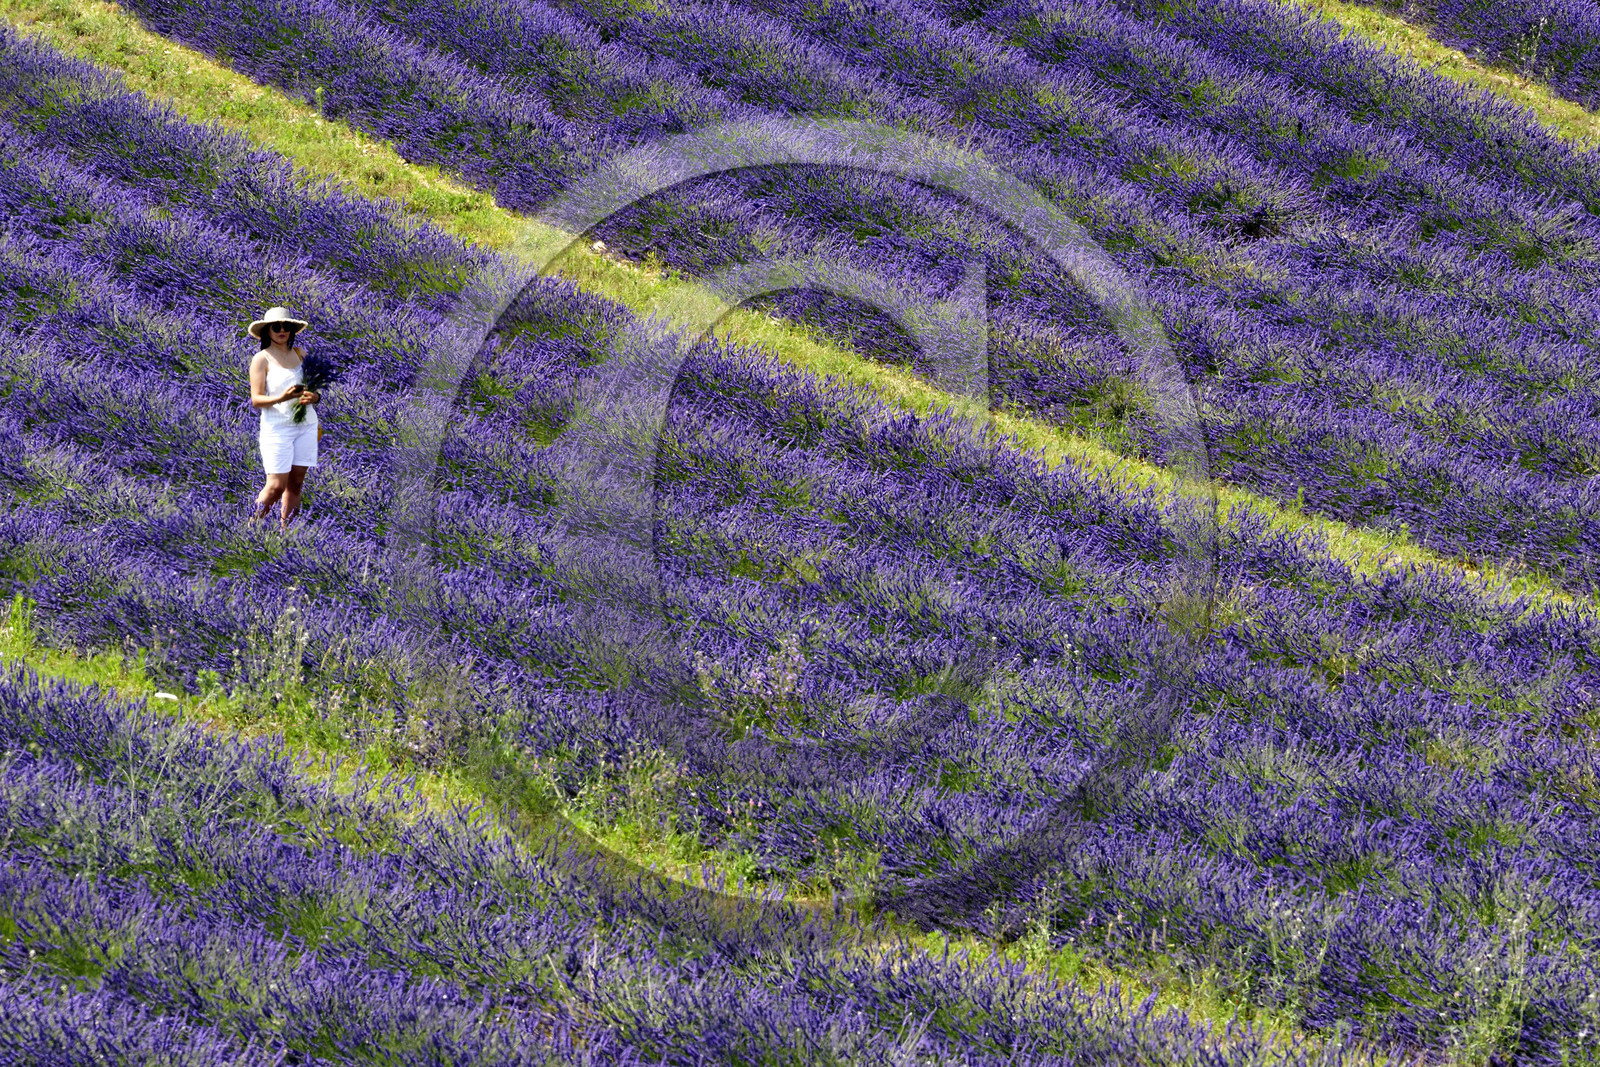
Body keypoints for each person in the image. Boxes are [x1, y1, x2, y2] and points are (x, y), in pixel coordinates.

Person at [247, 307, 319, 528]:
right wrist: (283, 397)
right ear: (267, 330)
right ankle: (250, 528)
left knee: (296, 484)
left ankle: (287, 533)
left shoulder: (300, 353)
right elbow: (256, 400)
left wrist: (315, 397)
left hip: (306, 425)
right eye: (276, 327)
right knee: (276, 486)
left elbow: (315, 389)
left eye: (286, 327)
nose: (282, 331)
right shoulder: (261, 359)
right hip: (277, 428)